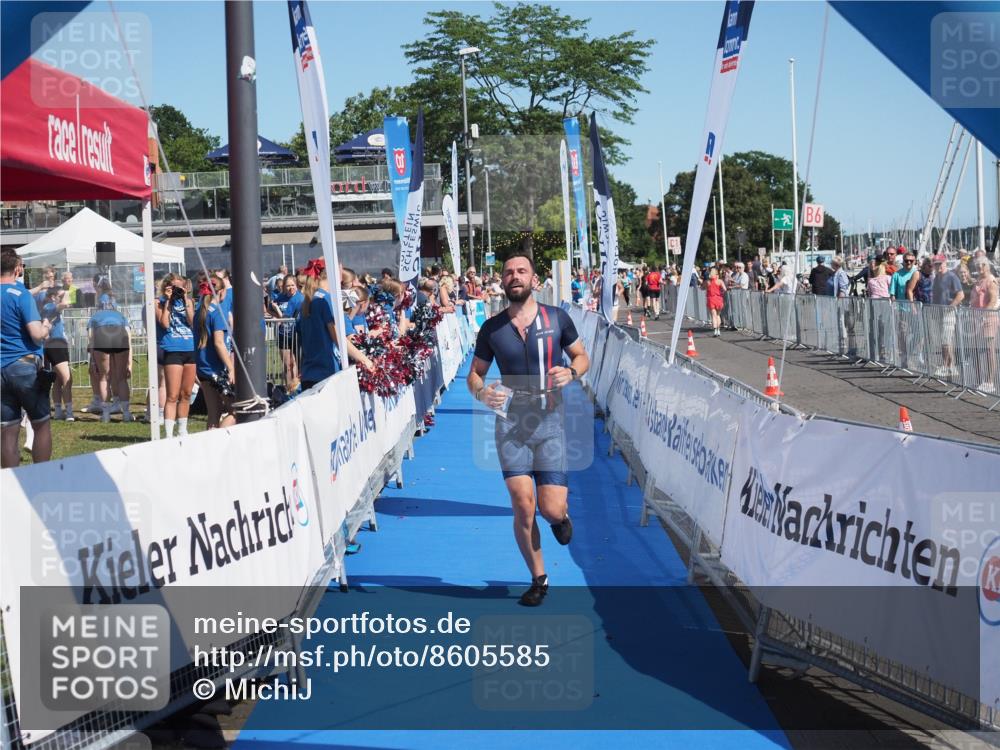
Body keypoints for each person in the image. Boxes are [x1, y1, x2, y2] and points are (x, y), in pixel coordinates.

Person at [467, 254, 589, 607]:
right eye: (508, 272)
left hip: (550, 423)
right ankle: (539, 578)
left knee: (550, 509)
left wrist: (572, 372)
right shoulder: (492, 329)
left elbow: (581, 356)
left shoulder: (557, 318)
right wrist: (481, 391)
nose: (514, 276)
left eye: (521, 271)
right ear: (502, 281)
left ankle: (560, 517)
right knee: (523, 505)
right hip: (510, 425)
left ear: (534, 279)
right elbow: (474, 375)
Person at [1, 249, 53, 468]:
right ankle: (41, 480)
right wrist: (46, 326)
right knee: (41, 424)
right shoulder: (21, 294)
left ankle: (10, 486)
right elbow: (36, 334)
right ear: (17, 269)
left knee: (7, 430)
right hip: (24, 366)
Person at [296, 268, 372, 391]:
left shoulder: (307, 301)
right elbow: (339, 339)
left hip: (309, 373)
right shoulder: (326, 300)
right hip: (325, 373)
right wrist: (365, 360)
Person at [156, 273, 196, 437]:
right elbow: (164, 323)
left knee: (186, 393)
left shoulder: (189, 302)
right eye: (174, 287)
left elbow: (192, 321)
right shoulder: (160, 303)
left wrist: (185, 299)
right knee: (172, 395)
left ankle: (182, 429)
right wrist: (168, 302)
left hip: (189, 348)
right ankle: (169, 433)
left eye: (180, 287)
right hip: (173, 349)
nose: (177, 290)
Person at [88, 282, 133, 423]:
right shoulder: (120, 316)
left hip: (101, 334)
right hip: (120, 334)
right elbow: (129, 338)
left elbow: (91, 339)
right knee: (121, 378)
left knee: (103, 377)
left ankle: (106, 414)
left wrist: (93, 361)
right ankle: (126, 413)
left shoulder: (95, 317)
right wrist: (130, 362)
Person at [194, 280, 236, 429]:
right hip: (216, 370)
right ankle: (218, 441)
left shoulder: (200, 310)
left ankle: (209, 446)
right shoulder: (217, 312)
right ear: (222, 291)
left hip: (204, 368)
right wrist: (231, 368)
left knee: (214, 412)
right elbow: (219, 342)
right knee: (237, 410)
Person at [36, 280, 73, 420]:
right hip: (56, 346)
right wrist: (66, 289)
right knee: (67, 379)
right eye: (59, 296)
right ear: (53, 297)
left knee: (57, 380)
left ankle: (58, 411)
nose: (62, 297)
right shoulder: (51, 306)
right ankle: (69, 412)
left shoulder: (47, 308)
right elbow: (64, 304)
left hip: (52, 345)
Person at [267, 274, 303, 390]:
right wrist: (277, 316)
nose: (290, 288)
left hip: (296, 334)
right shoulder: (280, 297)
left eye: (292, 285)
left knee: (296, 363)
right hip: (283, 334)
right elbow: (269, 309)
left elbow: (286, 317)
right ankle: (289, 389)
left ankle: (297, 388)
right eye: (287, 286)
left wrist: (279, 313)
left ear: (296, 285)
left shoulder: (300, 298)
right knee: (287, 365)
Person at [931, 256, 963, 377]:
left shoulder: (952, 276)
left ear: (945, 263)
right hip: (938, 312)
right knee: (945, 340)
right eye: (936, 264)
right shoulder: (937, 278)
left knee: (946, 339)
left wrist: (951, 307)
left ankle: (947, 365)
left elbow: (960, 295)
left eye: (940, 263)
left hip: (948, 312)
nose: (938, 266)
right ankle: (950, 366)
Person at [971, 258, 999, 393]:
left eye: (982, 265)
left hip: (988, 318)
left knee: (989, 350)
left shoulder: (990, 280)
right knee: (976, 349)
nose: (980, 267)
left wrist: (984, 315)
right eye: (977, 265)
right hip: (976, 318)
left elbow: (993, 300)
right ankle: (978, 379)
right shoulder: (978, 280)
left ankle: (990, 381)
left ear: (987, 266)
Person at [704, 267, 726, 337]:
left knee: (713, 315)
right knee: (718, 315)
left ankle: (715, 330)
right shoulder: (720, 281)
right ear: (716, 274)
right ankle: (718, 330)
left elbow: (703, 288)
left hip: (711, 299)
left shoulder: (708, 282)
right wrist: (721, 293)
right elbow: (725, 289)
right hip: (719, 298)